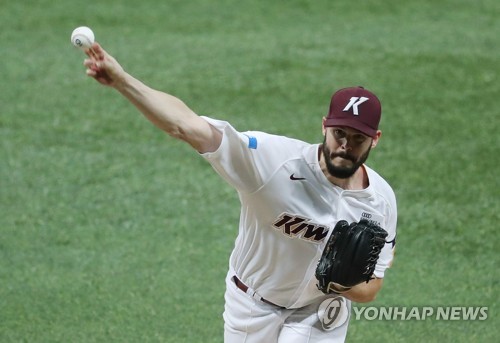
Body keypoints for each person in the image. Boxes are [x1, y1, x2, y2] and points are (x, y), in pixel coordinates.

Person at [83, 42, 397, 343]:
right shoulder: (272, 162)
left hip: (320, 310)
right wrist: (123, 82)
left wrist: (339, 283)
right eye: (339, 133)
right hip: (253, 305)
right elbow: (185, 126)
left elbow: (372, 289)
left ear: (375, 140)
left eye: (357, 138)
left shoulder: (380, 200)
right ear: (324, 126)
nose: (345, 145)